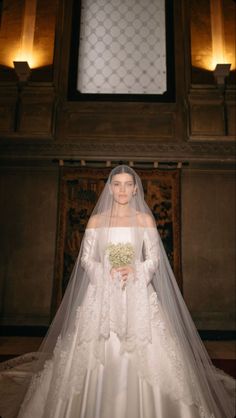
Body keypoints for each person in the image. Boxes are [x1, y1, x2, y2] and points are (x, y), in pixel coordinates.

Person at [8, 165, 235, 417]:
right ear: (110, 188)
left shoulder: (144, 219)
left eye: (128, 184)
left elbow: (155, 259)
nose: (122, 189)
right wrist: (105, 272)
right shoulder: (96, 221)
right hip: (102, 294)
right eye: (117, 184)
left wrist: (136, 270)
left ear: (136, 188)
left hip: (138, 296)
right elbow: (86, 259)